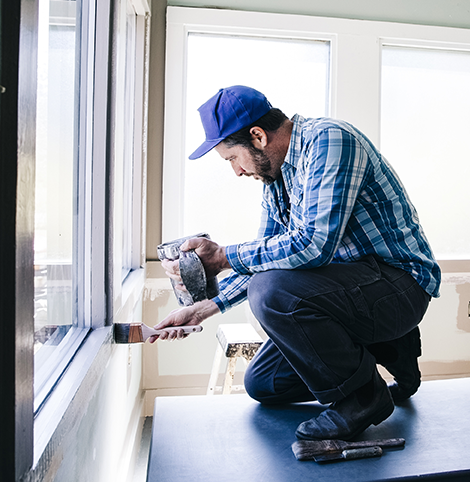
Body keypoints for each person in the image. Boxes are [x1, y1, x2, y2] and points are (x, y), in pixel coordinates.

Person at [155, 85, 440, 441]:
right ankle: (388, 348)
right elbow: (269, 255)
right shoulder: (277, 179)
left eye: (232, 159)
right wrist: (204, 307)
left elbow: (313, 245)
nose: (237, 172)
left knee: (270, 291)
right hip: (348, 293)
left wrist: (223, 256)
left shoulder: (330, 141)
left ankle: (363, 398)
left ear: (257, 136)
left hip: (399, 287)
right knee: (265, 384)